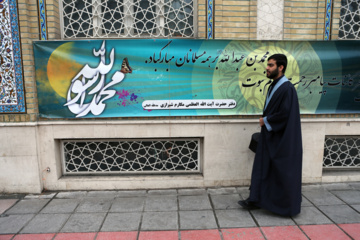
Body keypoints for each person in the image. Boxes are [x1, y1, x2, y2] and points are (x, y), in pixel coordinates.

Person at [238, 53, 303, 217]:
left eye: (271, 65)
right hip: (270, 134)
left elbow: (285, 113)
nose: (267, 68)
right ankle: (256, 199)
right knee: (262, 168)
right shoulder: (274, 85)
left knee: (278, 170)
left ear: (281, 68)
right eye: (267, 65)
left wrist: (266, 120)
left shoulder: (287, 89)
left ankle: (284, 206)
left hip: (279, 137)